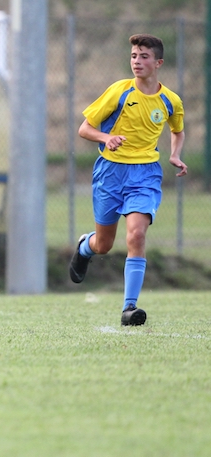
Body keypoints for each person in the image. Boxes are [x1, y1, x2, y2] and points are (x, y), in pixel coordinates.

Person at [69, 34, 187, 326]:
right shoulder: (119, 92)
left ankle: (129, 308)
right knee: (104, 245)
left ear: (158, 62)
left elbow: (178, 129)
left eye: (144, 56)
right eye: (134, 56)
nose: (137, 61)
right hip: (110, 172)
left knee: (136, 234)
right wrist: (106, 137)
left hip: (145, 174)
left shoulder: (170, 100)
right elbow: (85, 128)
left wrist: (174, 154)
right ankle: (86, 246)